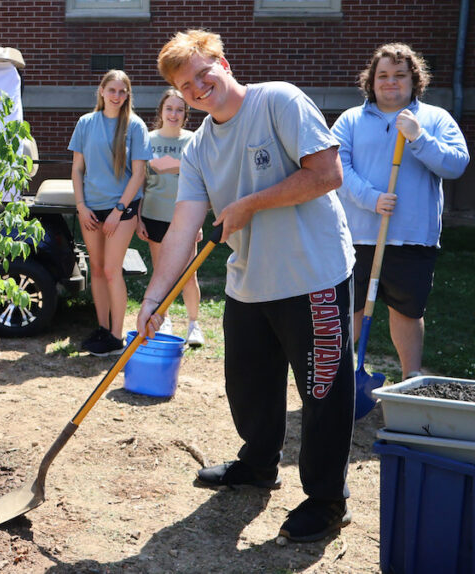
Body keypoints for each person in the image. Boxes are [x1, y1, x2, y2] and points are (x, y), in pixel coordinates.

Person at [139, 30, 355, 543]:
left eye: (202, 74)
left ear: (224, 63)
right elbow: (183, 228)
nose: (196, 88)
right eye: (184, 85)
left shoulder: (277, 101)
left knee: (322, 392)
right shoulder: (198, 150)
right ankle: (259, 466)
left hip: (312, 276)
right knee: (249, 388)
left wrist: (246, 205)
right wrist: (152, 300)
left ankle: (327, 501)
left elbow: (326, 174)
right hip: (250, 282)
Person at [332, 43, 469, 378]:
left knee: (407, 312)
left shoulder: (436, 119)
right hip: (358, 235)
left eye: (399, 75)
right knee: (349, 309)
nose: (390, 82)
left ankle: (410, 380)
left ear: (414, 80)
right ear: (371, 80)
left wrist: (419, 138)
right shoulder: (350, 120)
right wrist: (370, 198)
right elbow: (334, 168)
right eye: (383, 75)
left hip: (413, 237)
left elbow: (456, 165)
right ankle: (337, 380)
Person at [69, 69, 152, 356]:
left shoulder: (135, 126)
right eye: (112, 90)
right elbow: (77, 169)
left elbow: (139, 173)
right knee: (96, 269)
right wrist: (81, 206)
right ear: (101, 91)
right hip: (91, 208)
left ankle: (116, 338)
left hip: (122, 209)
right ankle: (102, 329)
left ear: (127, 95)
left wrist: (119, 210)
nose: (117, 96)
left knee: (111, 270)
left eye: (122, 91)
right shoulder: (85, 123)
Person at [137, 88, 205, 347]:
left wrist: (198, 222)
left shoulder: (193, 141)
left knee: (188, 275)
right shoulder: (148, 140)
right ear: (161, 112)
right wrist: (138, 218)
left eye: (179, 109)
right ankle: (163, 319)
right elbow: (141, 182)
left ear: (185, 114)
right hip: (154, 216)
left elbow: (202, 182)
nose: (174, 114)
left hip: (185, 219)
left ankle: (193, 324)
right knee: (161, 273)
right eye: (169, 108)